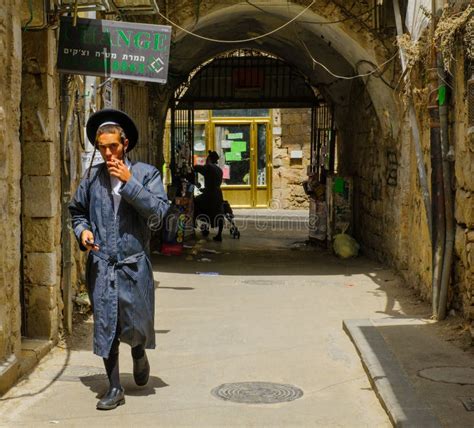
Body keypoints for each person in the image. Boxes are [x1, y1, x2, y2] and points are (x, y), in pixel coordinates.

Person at [69, 108, 169, 410]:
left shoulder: (146, 174)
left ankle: (139, 352)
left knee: (135, 324)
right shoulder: (92, 180)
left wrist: (130, 184)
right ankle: (114, 387)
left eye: (113, 146)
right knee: (106, 326)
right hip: (102, 265)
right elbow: (77, 212)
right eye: (103, 147)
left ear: (125, 144)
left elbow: (158, 214)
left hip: (133, 265)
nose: (108, 152)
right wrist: (83, 231)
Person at [194, 151, 225, 241]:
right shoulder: (219, 169)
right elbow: (213, 182)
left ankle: (196, 224)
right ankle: (219, 235)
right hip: (218, 194)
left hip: (210, 195)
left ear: (209, 158)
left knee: (195, 203)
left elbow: (196, 168)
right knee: (219, 213)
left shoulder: (209, 167)